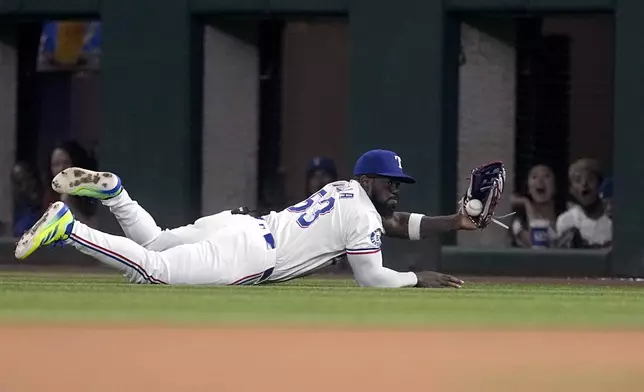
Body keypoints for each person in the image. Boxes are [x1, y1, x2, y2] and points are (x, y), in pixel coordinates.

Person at [15, 149, 481, 288]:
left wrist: (454, 222)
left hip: (238, 227)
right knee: (152, 270)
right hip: (251, 252)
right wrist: (418, 278)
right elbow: (373, 278)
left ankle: (116, 195)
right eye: (389, 182)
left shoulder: (345, 191)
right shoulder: (362, 214)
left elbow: (394, 224)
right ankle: (70, 228)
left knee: (155, 243)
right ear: (368, 180)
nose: (394, 189)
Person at [556, 158, 612, 248]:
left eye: (590, 179)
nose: (584, 184)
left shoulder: (615, 216)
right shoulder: (566, 220)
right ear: (571, 189)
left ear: (600, 184)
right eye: (578, 180)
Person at [509, 164, 564, 248]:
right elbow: (537, 245)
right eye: (534, 177)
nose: (540, 181)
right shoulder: (518, 222)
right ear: (528, 187)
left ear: (555, 184)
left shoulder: (570, 213)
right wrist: (526, 203)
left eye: (546, 176)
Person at [46, 140, 99, 226]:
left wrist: (68, 203)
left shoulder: (90, 195)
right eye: (56, 164)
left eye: (66, 163)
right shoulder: (49, 198)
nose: (61, 169)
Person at [11, 162, 43, 237]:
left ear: (32, 180)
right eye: (17, 183)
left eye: (23, 180)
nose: (20, 188)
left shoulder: (46, 203)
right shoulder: (17, 212)